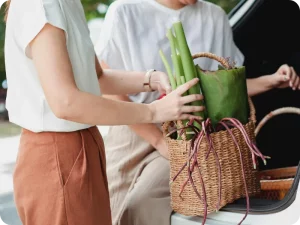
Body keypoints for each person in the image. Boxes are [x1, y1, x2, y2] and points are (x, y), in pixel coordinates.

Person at [95, 0, 300, 225]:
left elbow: (225, 87)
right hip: (132, 129)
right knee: (110, 211)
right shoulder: (125, 11)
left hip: (190, 135)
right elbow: (108, 88)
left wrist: (271, 81)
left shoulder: (214, 16)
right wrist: (157, 139)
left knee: (142, 205)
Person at [3, 0, 206, 225]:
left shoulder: (68, 3)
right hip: (56, 156)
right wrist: (153, 111)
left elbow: (96, 78)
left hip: (84, 147)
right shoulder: (40, 4)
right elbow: (65, 102)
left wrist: (151, 79)